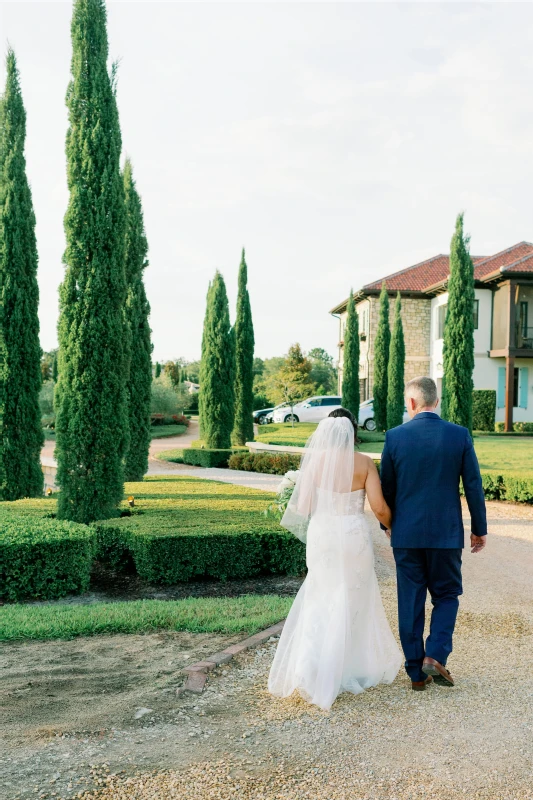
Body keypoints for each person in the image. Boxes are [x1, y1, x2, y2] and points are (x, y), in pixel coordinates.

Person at [268, 408, 402, 711]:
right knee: (353, 597)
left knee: (320, 595)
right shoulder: (365, 463)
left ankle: (311, 668)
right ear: (353, 432)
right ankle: (347, 666)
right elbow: (379, 508)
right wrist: (392, 526)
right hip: (352, 536)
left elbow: (302, 508)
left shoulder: (315, 464)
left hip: (323, 535)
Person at [380, 376, 487, 690]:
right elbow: (474, 487)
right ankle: (436, 654)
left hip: (407, 536)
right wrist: (479, 530)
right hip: (445, 535)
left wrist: (387, 525)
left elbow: (387, 486)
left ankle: (416, 673)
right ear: (436, 401)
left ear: (411, 403)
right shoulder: (459, 435)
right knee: (446, 596)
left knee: (410, 600)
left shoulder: (395, 437)